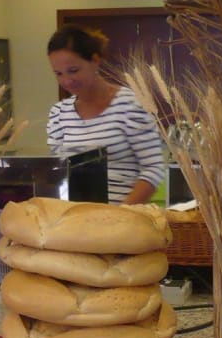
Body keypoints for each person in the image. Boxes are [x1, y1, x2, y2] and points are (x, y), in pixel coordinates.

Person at [46, 24, 164, 205]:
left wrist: (120, 214)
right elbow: (59, 174)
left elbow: (153, 168)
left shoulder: (129, 104)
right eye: (58, 74)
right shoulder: (58, 114)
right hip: (76, 221)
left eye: (73, 71)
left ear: (95, 61)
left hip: (124, 220)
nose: (66, 81)